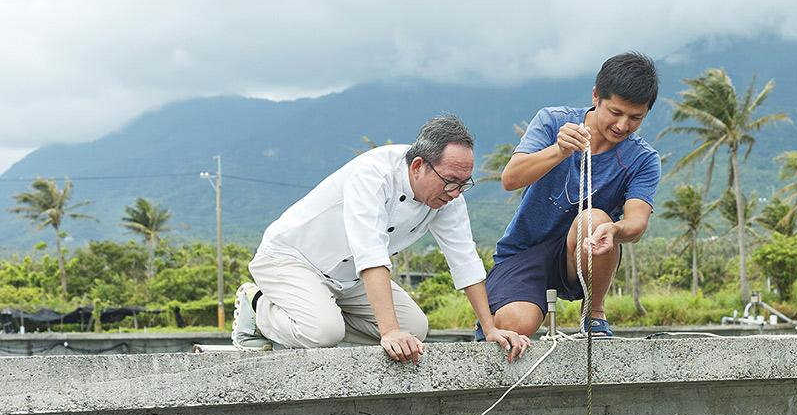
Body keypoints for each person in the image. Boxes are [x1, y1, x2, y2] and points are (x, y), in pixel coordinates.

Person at [232, 114, 529, 364]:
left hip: (348, 279)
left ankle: (318, 314)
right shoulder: (373, 174)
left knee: (414, 328)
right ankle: (255, 305)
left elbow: (465, 259)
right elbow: (370, 253)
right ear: (418, 166)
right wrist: (388, 332)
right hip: (291, 259)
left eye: (464, 184)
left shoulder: (449, 198)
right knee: (324, 333)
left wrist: (489, 328)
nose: (455, 192)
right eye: (450, 181)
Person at [480, 52, 661, 339]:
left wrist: (613, 230)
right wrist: (560, 150)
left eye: (635, 117)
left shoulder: (643, 159)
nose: (623, 125)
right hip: (524, 251)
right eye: (615, 112)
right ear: (595, 96)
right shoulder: (553, 121)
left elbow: (637, 223)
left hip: (584, 252)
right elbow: (510, 179)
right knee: (516, 324)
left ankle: (594, 313)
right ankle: (496, 310)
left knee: (595, 220)